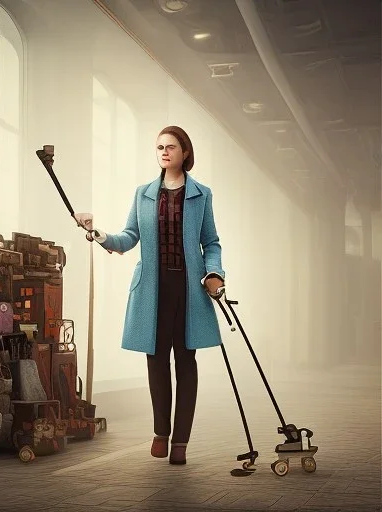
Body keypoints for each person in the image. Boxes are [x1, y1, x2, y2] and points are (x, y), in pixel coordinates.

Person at [74, 126, 225, 465]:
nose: (164, 152)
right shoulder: (143, 193)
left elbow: (211, 242)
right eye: (159, 147)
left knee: (186, 362)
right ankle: (161, 432)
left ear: (185, 151)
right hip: (152, 290)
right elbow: (128, 237)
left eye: (171, 146)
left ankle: (181, 442)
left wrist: (214, 274)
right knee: (156, 361)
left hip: (188, 289)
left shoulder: (202, 194)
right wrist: (97, 233)